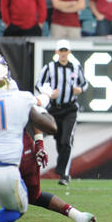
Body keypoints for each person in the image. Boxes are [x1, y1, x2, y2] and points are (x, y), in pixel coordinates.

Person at [0, 52, 57, 222]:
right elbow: (46, 120)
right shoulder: (20, 97)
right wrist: (46, 96)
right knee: (19, 207)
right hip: (7, 169)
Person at [35, 39, 88, 186]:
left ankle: (64, 174)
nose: (63, 53)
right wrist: (49, 93)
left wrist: (80, 90)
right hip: (54, 109)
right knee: (59, 140)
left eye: (66, 50)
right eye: (61, 50)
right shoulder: (49, 67)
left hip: (70, 108)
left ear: (69, 52)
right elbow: (39, 84)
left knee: (66, 140)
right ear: (57, 52)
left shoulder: (76, 68)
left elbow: (85, 83)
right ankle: (63, 168)